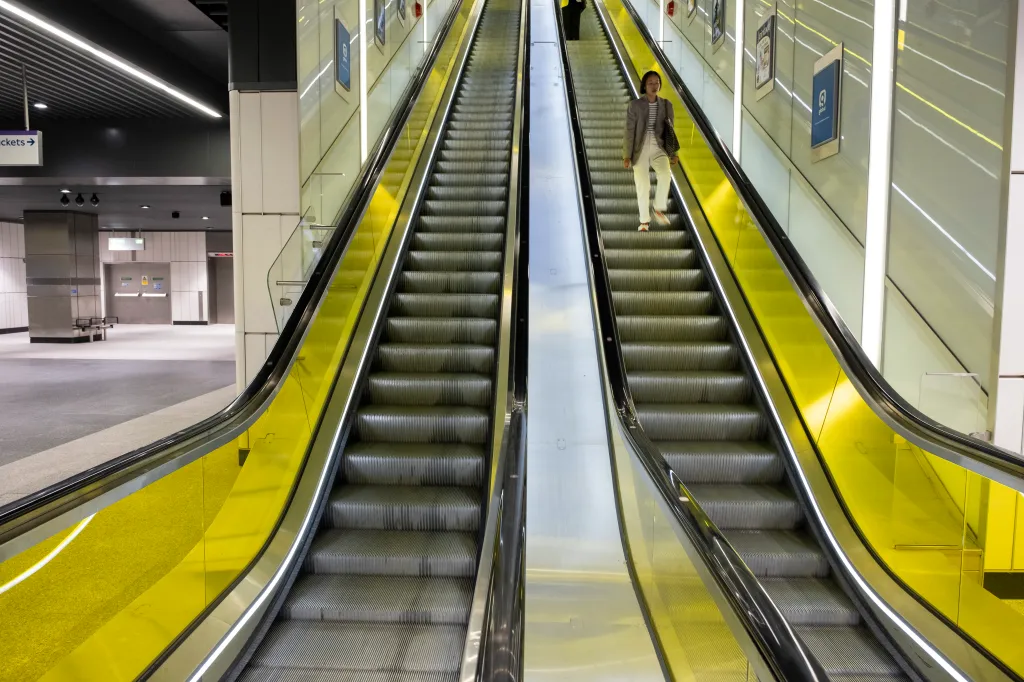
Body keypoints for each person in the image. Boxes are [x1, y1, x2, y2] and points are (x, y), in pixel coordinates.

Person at [623, 71, 678, 231]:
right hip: (639, 148)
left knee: (665, 173)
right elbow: (629, 131)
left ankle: (658, 208)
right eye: (651, 83)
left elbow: (670, 131)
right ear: (644, 86)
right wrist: (627, 155)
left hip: (658, 147)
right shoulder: (635, 105)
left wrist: (673, 153)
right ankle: (644, 222)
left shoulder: (667, 105)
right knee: (642, 184)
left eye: (657, 82)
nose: (654, 86)